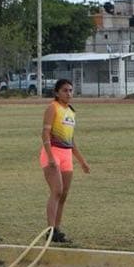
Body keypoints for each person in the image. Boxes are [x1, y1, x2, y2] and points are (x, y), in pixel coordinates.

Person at [40, 79, 89, 244]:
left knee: (63, 195)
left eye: (70, 90)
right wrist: (50, 156)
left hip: (66, 154)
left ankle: (57, 230)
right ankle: (50, 230)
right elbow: (45, 133)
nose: (68, 93)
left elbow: (71, 140)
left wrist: (82, 161)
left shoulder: (71, 112)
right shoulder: (52, 108)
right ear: (56, 93)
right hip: (52, 152)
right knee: (57, 191)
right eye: (65, 90)